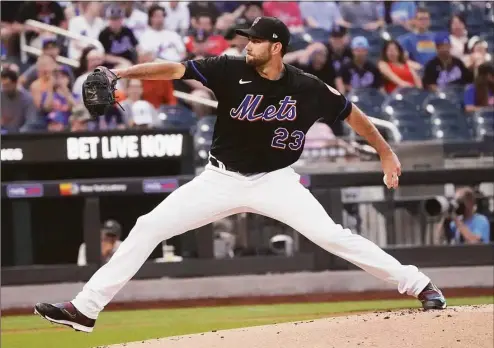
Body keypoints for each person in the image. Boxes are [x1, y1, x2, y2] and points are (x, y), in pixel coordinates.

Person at [34, 17, 447, 333]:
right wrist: (122, 73)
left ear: (277, 47)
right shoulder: (228, 69)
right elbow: (175, 70)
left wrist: (387, 154)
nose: (247, 45)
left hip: (277, 181)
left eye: (255, 39)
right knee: (147, 226)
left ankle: (419, 284)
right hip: (220, 179)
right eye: (246, 39)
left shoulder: (308, 87)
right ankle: (86, 309)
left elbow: (353, 115)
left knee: (332, 236)